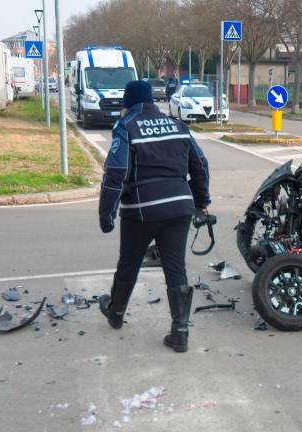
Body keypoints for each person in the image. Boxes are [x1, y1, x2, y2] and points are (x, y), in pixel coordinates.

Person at [98, 80, 210, 353]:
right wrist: (201, 202)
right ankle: (180, 331)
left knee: (130, 262)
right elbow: (200, 164)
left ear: (127, 103)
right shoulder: (178, 126)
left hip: (141, 209)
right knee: (175, 267)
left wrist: (107, 213)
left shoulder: (126, 127)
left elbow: (116, 172)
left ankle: (116, 313)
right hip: (179, 206)